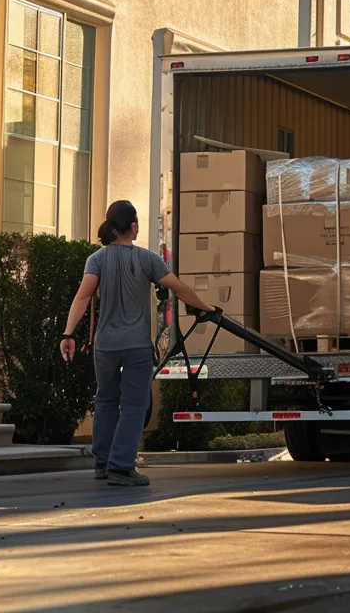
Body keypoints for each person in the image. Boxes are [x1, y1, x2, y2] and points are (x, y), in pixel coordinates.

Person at [60, 200, 215, 487]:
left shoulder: (96, 260)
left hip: (105, 346)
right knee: (134, 405)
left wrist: (68, 334)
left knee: (105, 401)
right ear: (133, 227)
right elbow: (179, 289)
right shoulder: (148, 259)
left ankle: (103, 463)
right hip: (136, 346)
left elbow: (82, 298)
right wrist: (206, 308)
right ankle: (121, 467)